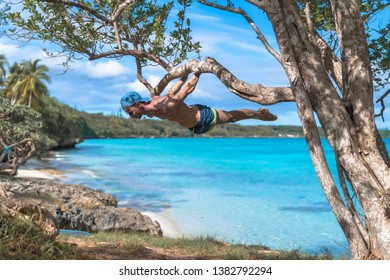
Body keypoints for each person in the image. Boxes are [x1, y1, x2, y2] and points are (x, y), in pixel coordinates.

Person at [120, 73, 277, 134]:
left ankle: (261, 115)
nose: (131, 116)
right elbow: (171, 92)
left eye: (130, 112)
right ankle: (259, 114)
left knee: (234, 117)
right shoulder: (153, 102)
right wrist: (182, 76)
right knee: (233, 116)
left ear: (137, 104)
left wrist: (197, 72)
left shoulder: (162, 106)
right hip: (193, 122)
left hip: (203, 119)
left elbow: (186, 91)